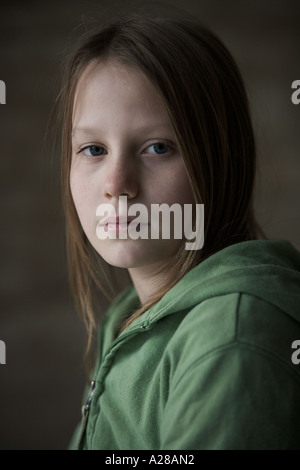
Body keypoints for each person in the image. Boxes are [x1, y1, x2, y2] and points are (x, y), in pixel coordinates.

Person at [59, 13, 300, 450]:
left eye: (157, 147)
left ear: (220, 160)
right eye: (93, 149)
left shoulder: (232, 336)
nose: (116, 185)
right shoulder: (129, 316)